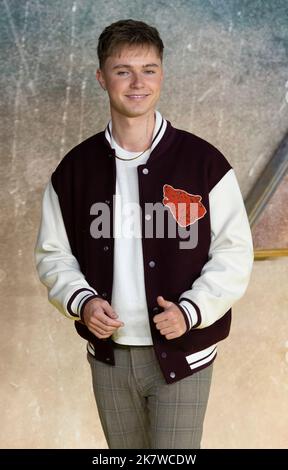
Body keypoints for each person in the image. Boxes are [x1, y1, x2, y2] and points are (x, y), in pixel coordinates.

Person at [35, 19, 254, 449]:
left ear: (162, 75)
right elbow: (53, 254)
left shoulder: (203, 162)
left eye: (149, 69)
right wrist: (83, 302)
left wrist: (191, 311)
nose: (138, 82)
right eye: (123, 70)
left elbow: (234, 254)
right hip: (109, 356)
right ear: (102, 78)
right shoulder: (75, 170)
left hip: (184, 353)